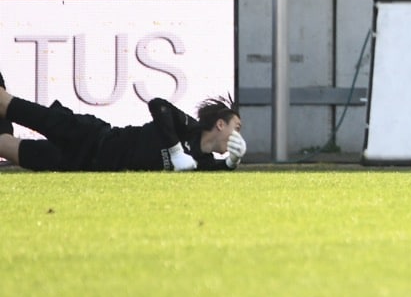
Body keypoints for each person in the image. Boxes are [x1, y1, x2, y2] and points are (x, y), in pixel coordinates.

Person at [0, 70, 245, 172]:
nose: (239, 134)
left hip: (83, 166)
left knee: (4, 145)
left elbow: (217, 170)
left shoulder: (201, 162)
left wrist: (231, 162)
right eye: (237, 126)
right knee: (5, 104)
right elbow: (157, 104)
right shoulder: (187, 127)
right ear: (220, 124)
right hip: (89, 136)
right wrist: (175, 150)